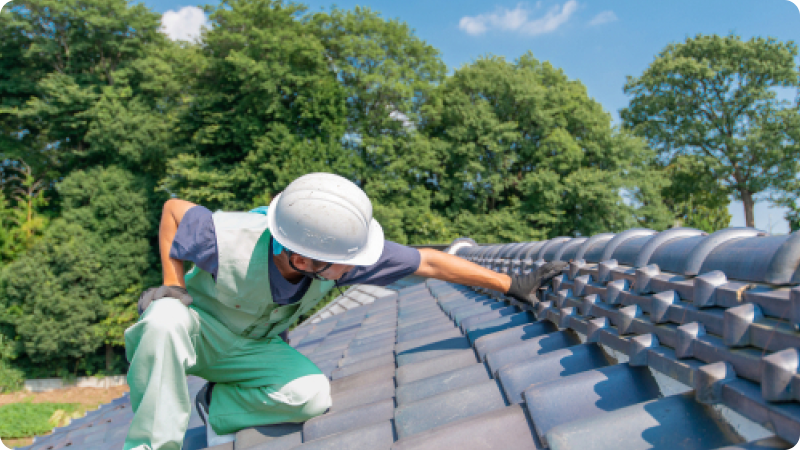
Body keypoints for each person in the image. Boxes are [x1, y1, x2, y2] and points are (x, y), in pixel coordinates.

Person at [123, 172, 565, 450]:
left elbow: (428, 260)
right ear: (302, 257)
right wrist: (173, 286)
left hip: (248, 348)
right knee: (163, 318)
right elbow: (174, 211)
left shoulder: (338, 253)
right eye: (345, 263)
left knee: (311, 395)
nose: (357, 267)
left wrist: (510, 284)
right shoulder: (231, 237)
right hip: (194, 330)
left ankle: (216, 404)